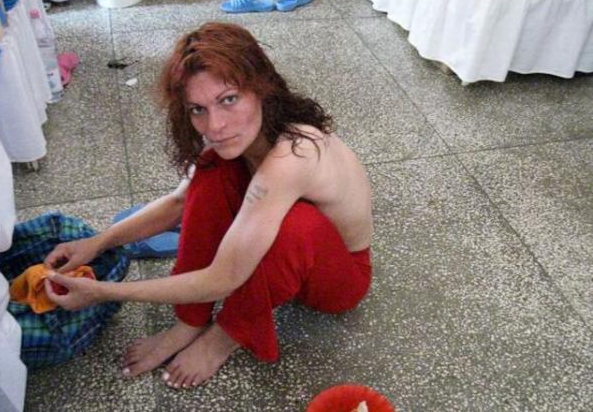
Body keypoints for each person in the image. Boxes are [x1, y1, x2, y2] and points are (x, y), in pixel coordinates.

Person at [43, 22, 374, 389]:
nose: (215, 125)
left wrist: (103, 292)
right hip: (275, 249)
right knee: (211, 169)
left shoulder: (294, 154)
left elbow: (224, 278)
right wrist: (97, 243)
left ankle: (224, 336)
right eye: (198, 109)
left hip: (337, 279)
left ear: (261, 88)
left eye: (229, 99)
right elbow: (178, 203)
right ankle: (190, 320)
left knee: (297, 225)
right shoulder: (233, 137)